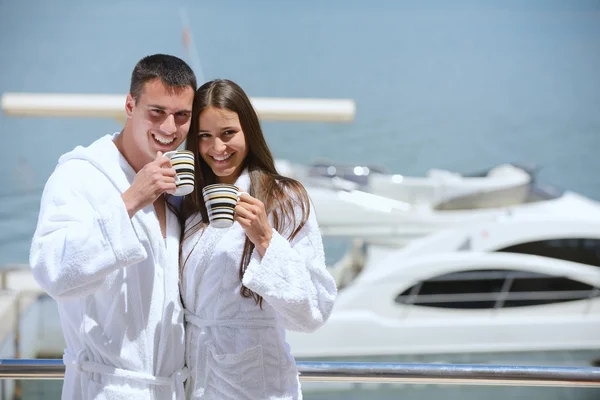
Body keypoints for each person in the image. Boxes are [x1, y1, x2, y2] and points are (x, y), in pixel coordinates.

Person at [29, 54, 196, 399]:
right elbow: (52, 271)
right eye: (157, 112)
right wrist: (131, 200)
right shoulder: (79, 176)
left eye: (182, 116)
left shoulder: (175, 189)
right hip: (105, 389)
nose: (169, 128)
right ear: (130, 105)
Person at [179, 79, 338, 399]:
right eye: (204, 137)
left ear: (248, 131)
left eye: (228, 134)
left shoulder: (284, 199)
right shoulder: (190, 204)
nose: (217, 148)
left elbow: (313, 312)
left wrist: (266, 238)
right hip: (197, 381)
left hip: (256, 385)